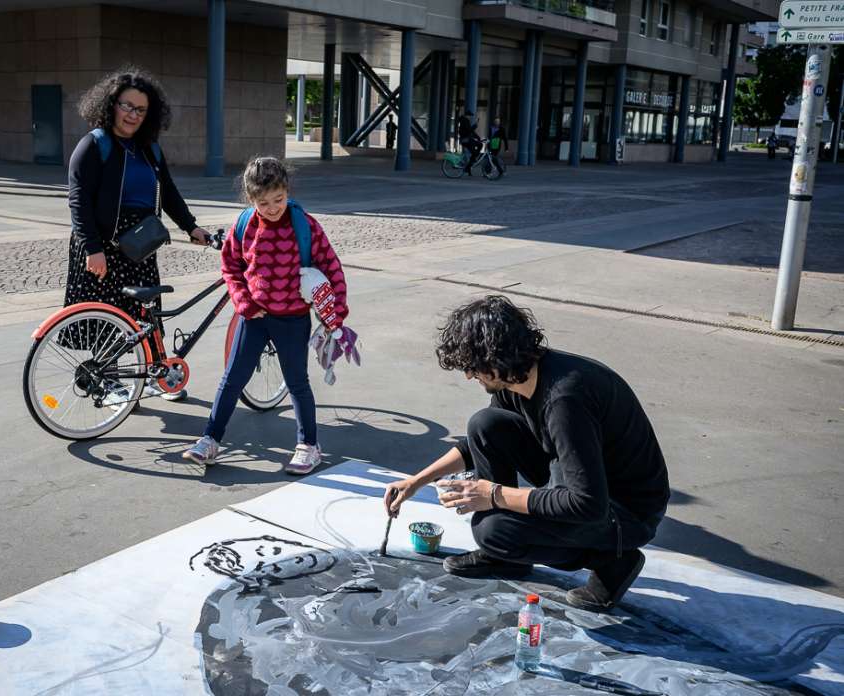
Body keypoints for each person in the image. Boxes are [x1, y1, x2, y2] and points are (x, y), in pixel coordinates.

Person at [383, 295, 670, 612]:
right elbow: (476, 442)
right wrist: (416, 481)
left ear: (494, 361)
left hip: (626, 513)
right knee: (485, 423)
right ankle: (506, 559)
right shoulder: (520, 378)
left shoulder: (565, 400)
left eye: (472, 367)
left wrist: (493, 495)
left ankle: (612, 559)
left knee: (493, 531)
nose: (468, 376)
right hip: (590, 486)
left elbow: (585, 503)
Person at [182, 157, 348, 474]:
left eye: (278, 200)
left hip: (294, 319)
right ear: (250, 199)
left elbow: (331, 268)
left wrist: (335, 312)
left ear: (287, 191)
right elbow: (231, 267)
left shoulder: (306, 226)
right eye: (263, 202)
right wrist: (244, 302)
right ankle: (210, 439)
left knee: (297, 383)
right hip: (253, 318)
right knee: (231, 380)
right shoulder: (244, 225)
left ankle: (309, 446)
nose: (272, 208)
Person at [66, 68, 210, 402]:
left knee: (145, 314)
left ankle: (158, 375)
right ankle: (107, 380)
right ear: (111, 104)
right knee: (107, 316)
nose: (132, 114)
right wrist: (92, 248)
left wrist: (190, 226)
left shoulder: (150, 150)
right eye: (126, 106)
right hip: (102, 245)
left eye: (140, 110)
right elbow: (78, 200)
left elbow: (169, 193)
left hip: (139, 244)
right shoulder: (94, 144)